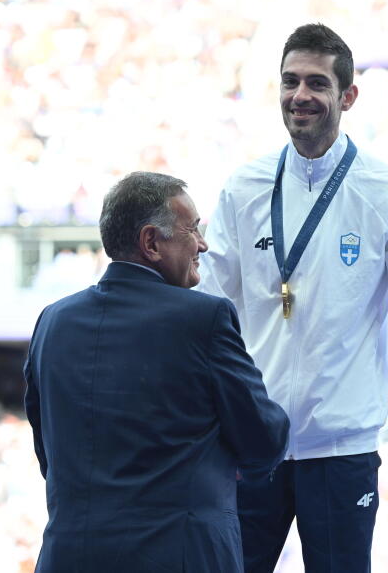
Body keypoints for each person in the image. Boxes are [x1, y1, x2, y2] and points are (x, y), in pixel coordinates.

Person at [197, 24, 388, 572]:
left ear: (348, 96)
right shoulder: (243, 188)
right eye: (290, 81)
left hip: (342, 450)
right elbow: (205, 313)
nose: (301, 96)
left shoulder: (386, 194)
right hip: (251, 443)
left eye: (317, 83)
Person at [23, 172, 290, 572]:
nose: (203, 243)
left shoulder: (52, 321)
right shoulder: (205, 318)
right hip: (181, 557)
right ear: (151, 242)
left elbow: (49, 454)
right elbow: (264, 439)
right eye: (193, 229)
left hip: (69, 556)